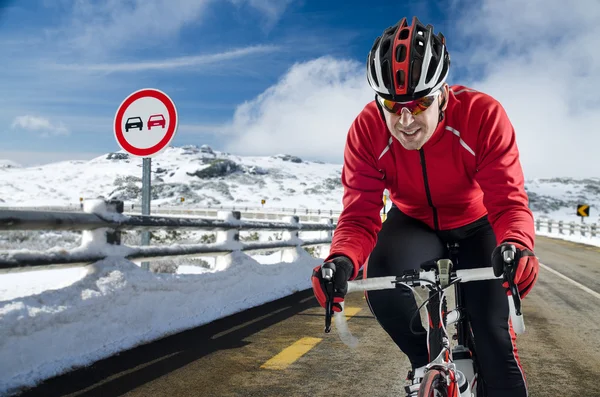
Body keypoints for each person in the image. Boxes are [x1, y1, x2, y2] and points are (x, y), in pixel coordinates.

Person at [311, 16, 540, 397]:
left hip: (478, 223)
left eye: (419, 104)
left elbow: (508, 202)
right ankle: (424, 364)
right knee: (379, 281)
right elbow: (359, 214)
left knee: (493, 339)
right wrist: (342, 260)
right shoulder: (367, 131)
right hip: (414, 222)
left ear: (443, 92)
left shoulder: (483, 115)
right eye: (391, 104)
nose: (404, 120)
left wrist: (517, 246)